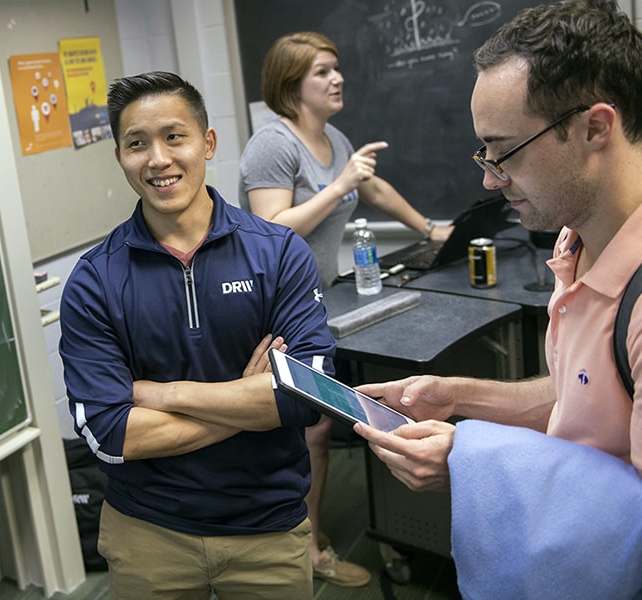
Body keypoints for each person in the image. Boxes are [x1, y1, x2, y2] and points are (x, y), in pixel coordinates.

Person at [354, 1, 642, 597]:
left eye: (504, 150)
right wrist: (456, 396)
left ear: (595, 128)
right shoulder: (577, 240)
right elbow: (582, 399)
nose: (490, 178)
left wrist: (472, 460)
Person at [59, 71, 338, 599]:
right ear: (120, 157)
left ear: (207, 142)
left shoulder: (277, 253)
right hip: (148, 534)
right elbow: (109, 434)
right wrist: (247, 400)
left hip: (269, 527)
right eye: (137, 144)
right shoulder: (95, 280)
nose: (158, 159)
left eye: (174, 136)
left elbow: (310, 397)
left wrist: (166, 394)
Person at [238, 30, 452, 586]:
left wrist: (432, 228)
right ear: (291, 85)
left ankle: (303, 535)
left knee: (315, 433)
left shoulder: (331, 136)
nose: (337, 79)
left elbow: (372, 191)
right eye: (322, 72)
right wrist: (340, 186)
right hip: (275, 308)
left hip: (319, 298)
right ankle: (303, 548)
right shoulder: (273, 144)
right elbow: (270, 230)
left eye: (337, 69)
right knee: (305, 433)